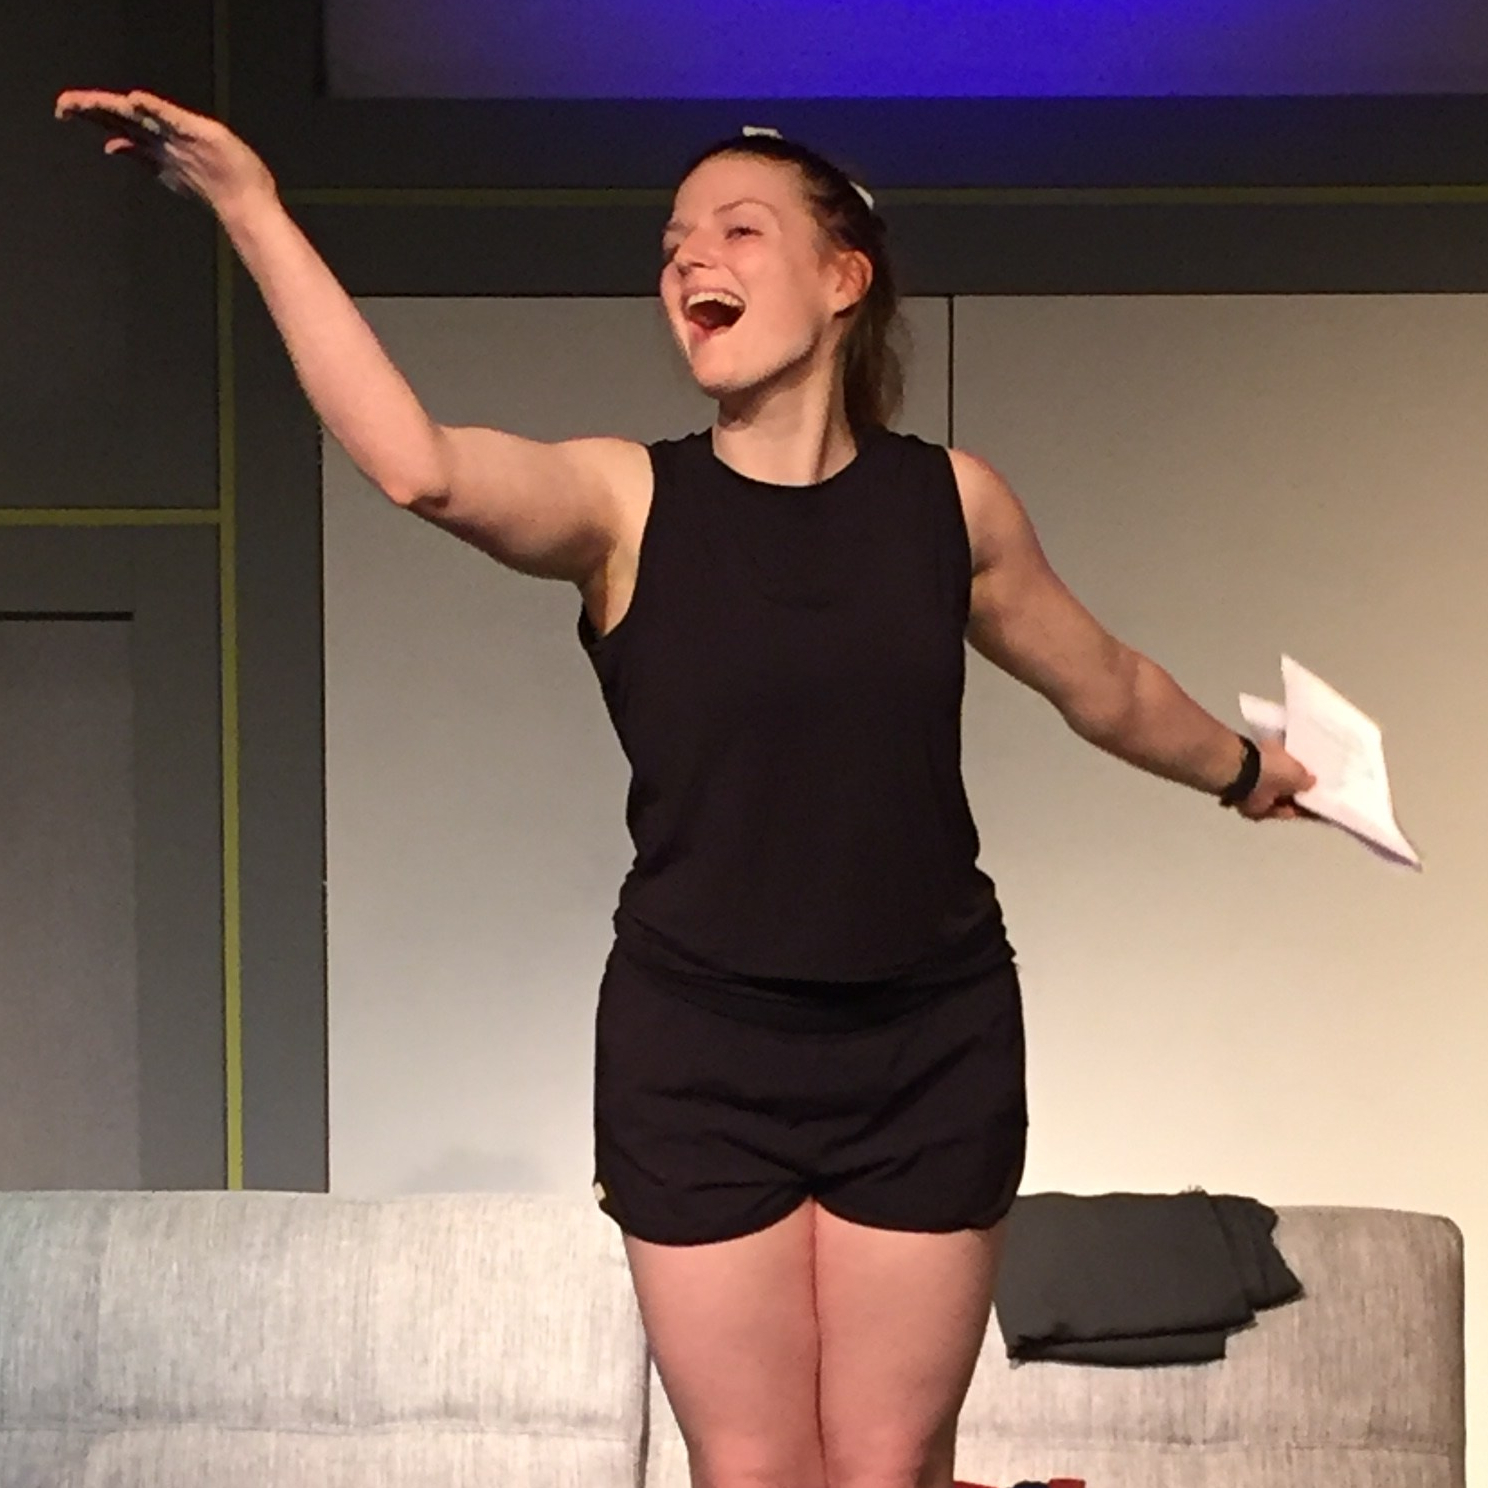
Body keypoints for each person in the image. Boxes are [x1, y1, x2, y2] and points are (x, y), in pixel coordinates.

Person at [55, 89, 1314, 1488]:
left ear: (844, 279)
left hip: (931, 1041)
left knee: (892, 1467)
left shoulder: (951, 504)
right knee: (755, 1471)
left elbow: (1108, 683)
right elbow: (419, 468)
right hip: (701, 1050)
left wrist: (1248, 770)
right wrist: (249, 207)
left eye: (737, 229)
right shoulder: (625, 502)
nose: (689, 258)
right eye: (671, 243)